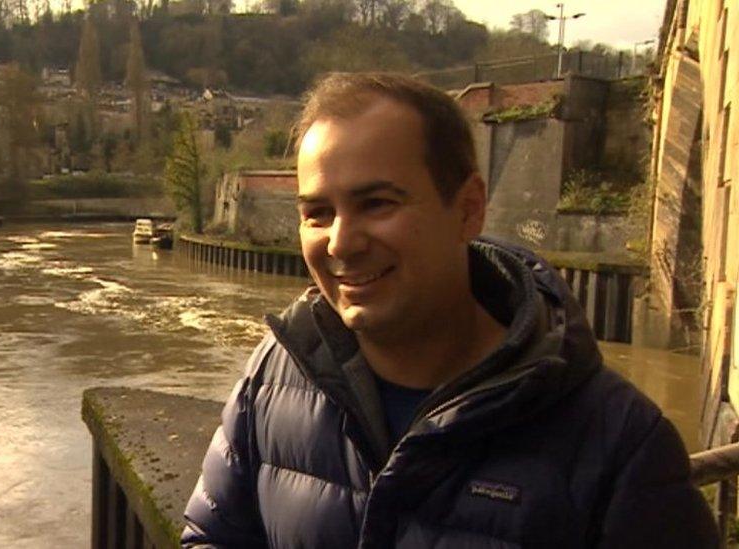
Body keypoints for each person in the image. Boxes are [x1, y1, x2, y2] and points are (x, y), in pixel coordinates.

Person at [181, 72, 717, 548]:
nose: (340, 244)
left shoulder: (621, 445)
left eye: (377, 204)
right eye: (318, 213)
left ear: (468, 209)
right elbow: (213, 536)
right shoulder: (274, 373)